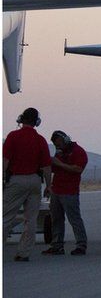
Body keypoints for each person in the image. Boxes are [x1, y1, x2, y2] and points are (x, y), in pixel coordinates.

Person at [2, 107, 53, 262]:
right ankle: (24, 252)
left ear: (21, 119)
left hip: (16, 180)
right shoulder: (40, 140)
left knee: (6, 217)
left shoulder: (13, 136)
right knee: (30, 219)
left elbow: (5, 161)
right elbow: (46, 166)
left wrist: (3, 177)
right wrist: (49, 186)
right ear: (36, 122)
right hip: (34, 181)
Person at [42, 130, 89, 256]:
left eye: (59, 144)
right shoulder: (59, 153)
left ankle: (81, 244)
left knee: (74, 219)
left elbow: (78, 169)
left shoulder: (79, 152)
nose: (58, 147)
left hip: (70, 191)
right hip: (56, 189)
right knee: (56, 219)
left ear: (65, 140)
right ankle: (57, 245)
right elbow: (54, 169)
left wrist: (59, 164)